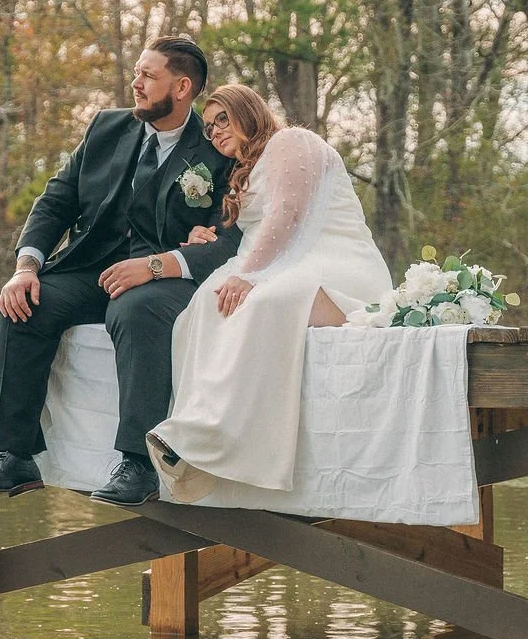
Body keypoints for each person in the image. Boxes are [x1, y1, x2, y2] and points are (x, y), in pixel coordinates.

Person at [0, 37, 246, 506]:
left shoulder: (217, 148)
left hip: (162, 279)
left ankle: (138, 464)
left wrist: (156, 266)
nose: (135, 83)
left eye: (148, 76)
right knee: (23, 305)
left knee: (136, 313)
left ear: (182, 87)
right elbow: (55, 201)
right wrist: (26, 266)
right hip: (90, 268)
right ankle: (15, 457)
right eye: (136, 72)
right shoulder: (105, 128)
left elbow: (229, 239)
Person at [147, 84, 393, 501]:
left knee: (262, 302)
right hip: (286, 264)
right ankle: (198, 433)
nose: (215, 131)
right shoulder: (243, 171)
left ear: (248, 110)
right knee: (203, 306)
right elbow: (253, 232)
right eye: (208, 128)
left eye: (222, 118)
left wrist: (252, 276)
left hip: (338, 267)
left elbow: (287, 214)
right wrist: (203, 234)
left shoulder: (292, 141)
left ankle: (225, 439)